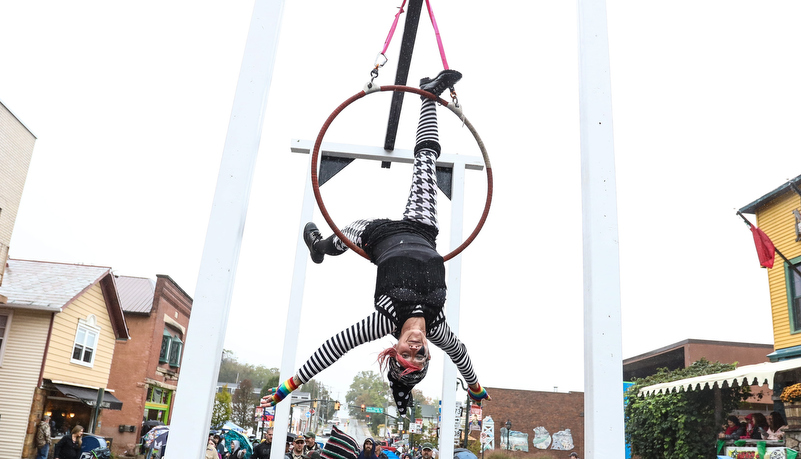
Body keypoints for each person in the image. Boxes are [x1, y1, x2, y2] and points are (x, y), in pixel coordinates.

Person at [261, 69, 489, 416]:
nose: (414, 348)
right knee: (426, 160)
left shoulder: (384, 321)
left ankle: (320, 248)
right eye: (420, 355)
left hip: (377, 236)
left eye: (405, 355)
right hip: (421, 228)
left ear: (393, 349)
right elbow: (463, 357)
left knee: (346, 232)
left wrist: (285, 389)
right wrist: (475, 391)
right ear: (428, 352)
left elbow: (333, 348)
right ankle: (429, 95)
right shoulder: (439, 327)